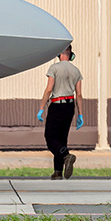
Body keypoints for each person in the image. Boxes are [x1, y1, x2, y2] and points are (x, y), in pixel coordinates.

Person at [38, 44, 83, 179]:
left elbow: (49, 89)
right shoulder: (76, 71)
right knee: (62, 138)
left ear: (59, 54)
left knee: (50, 137)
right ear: (70, 53)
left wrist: (41, 108)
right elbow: (79, 94)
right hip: (70, 106)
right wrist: (80, 114)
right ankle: (58, 172)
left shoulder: (54, 68)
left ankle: (66, 156)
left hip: (57, 104)